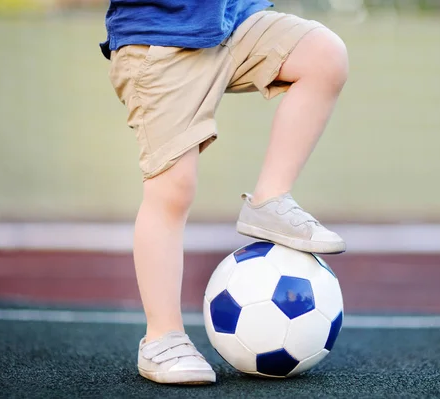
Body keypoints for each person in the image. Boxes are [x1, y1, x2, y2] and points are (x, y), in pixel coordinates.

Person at [100, 0, 349, 385]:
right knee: (173, 189)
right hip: (159, 37)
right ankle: (161, 338)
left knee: (324, 55)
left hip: (231, 21)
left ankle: (270, 199)